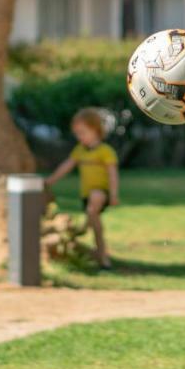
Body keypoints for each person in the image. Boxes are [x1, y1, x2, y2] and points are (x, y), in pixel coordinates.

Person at [44, 107, 120, 269]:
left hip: (101, 193)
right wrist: (50, 181)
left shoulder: (105, 152)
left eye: (83, 132)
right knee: (97, 226)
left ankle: (90, 232)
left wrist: (113, 195)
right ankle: (99, 252)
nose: (79, 137)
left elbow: (113, 174)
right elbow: (67, 166)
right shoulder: (80, 151)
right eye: (77, 133)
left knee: (95, 199)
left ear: (96, 130)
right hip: (86, 195)